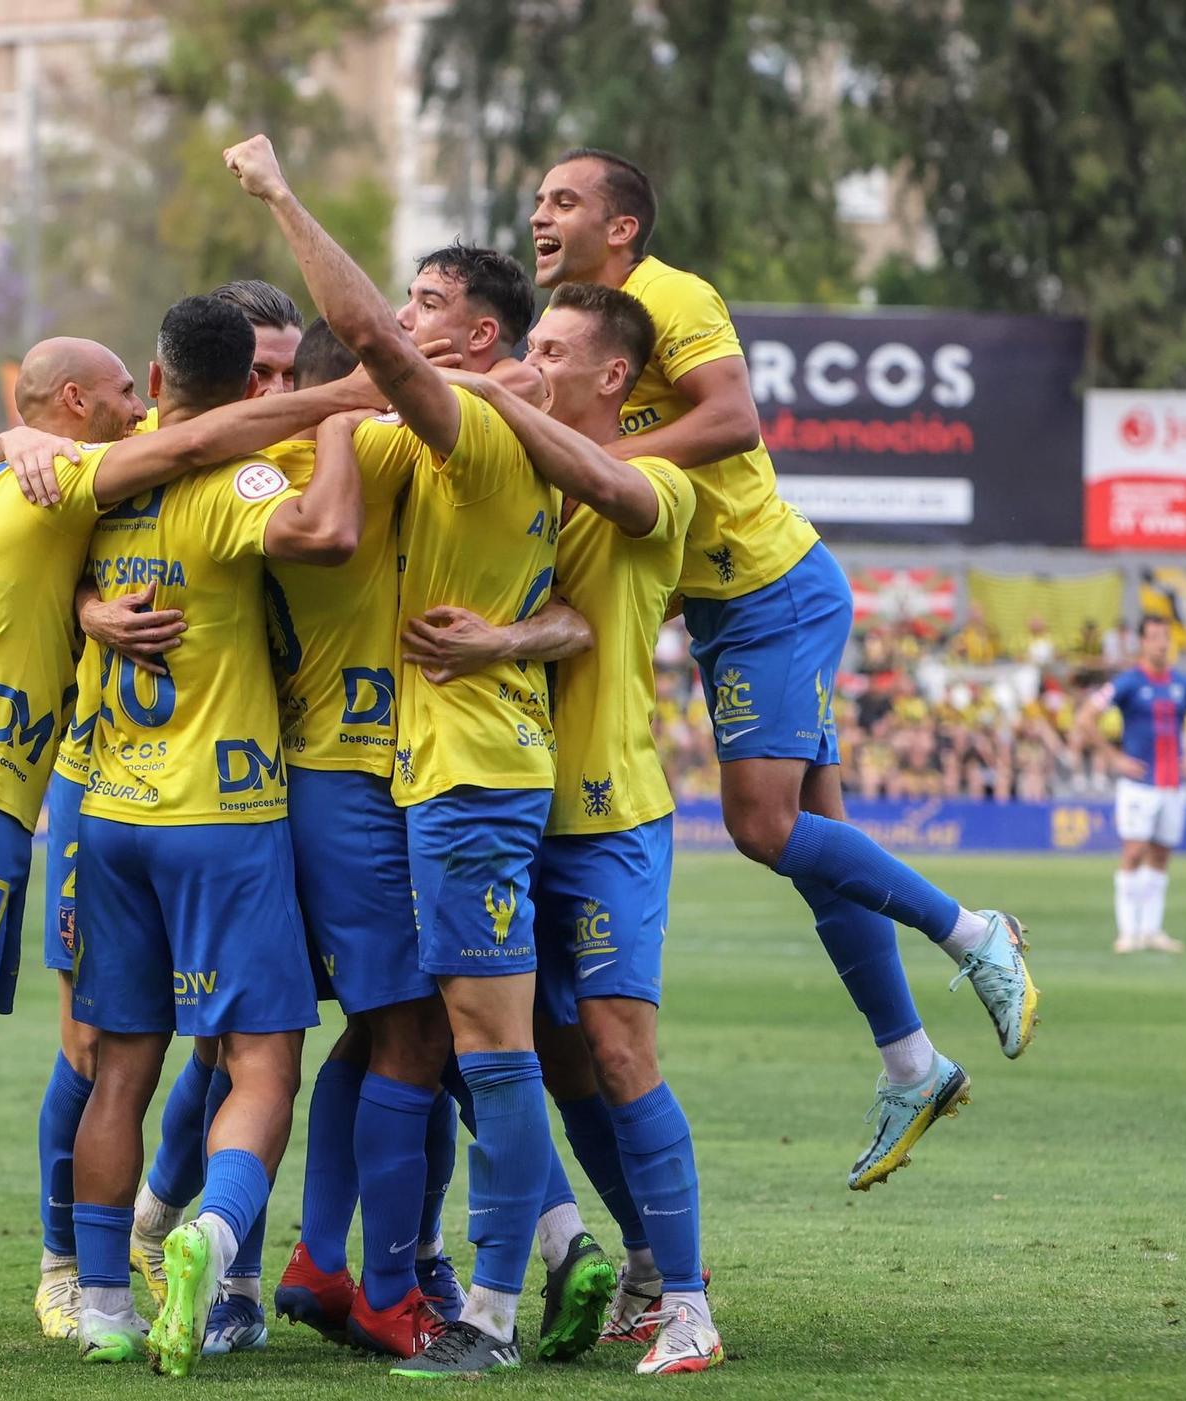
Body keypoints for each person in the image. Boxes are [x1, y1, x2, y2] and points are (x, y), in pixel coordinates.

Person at [0, 327, 375, 1371]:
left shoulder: (6, 485)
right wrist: (345, 397)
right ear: (72, 402)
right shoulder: (70, 473)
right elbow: (217, 432)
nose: (133, 406)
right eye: (116, 392)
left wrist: (1, 448)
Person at [529, 146, 1038, 1191]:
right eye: (537, 201)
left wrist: (593, 466)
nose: (541, 216)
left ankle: (971, 930)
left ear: (621, 226)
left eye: (563, 200)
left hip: (771, 589)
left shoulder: (671, 295)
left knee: (761, 827)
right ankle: (909, 1063)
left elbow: (731, 421)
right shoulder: (581, 342)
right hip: (726, 604)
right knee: (818, 845)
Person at [232, 133, 582, 1379]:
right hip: (340, 775)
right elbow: (200, 497)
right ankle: (330, 1270)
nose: (402, 314)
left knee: (398, 1039)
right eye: (403, 305)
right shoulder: (379, 434)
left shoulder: (469, 437)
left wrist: (508, 638)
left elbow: (584, 605)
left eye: (427, 301)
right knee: (376, 1037)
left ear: (477, 338)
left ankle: (362, 1267)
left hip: (440, 776)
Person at [64, 295, 373, 1375]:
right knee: (262, 1066)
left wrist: (90, 609)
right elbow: (326, 533)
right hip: (222, 815)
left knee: (119, 1072)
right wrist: (332, 428)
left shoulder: (106, 468)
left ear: (153, 381)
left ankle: (101, 1299)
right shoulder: (234, 480)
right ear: (253, 387)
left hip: (109, 811)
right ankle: (211, 1234)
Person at [440, 282, 719, 1375]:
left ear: (612, 376)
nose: (531, 359)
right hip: (499, 806)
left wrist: (491, 391)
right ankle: (627, 1259)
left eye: (551, 348)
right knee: (513, 1051)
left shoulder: (656, 479)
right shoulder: (524, 491)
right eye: (528, 346)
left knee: (616, 1048)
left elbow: (608, 490)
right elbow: (553, 618)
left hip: (604, 815)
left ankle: (689, 1305)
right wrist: (502, 639)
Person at [1080, 615, 1186, 953]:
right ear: (1142, 642)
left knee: (1161, 855)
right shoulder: (1129, 682)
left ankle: (1151, 930)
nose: (1161, 643)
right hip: (1140, 783)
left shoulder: (1184, 684)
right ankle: (1128, 931)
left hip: (1173, 784)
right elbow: (1086, 716)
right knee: (1134, 851)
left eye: (1165, 636)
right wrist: (1113, 757)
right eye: (1154, 637)